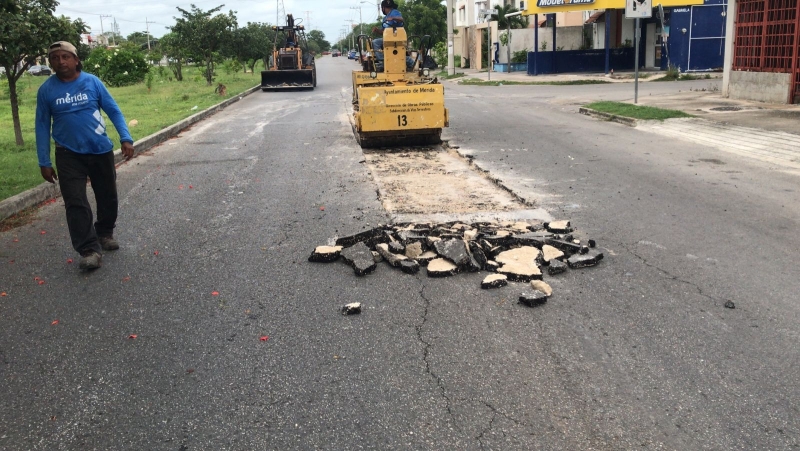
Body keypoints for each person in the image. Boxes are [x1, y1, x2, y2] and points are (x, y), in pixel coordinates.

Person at [35, 41, 135, 270]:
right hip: (67, 154)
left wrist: (126, 137)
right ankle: (89, 250)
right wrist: (44, 161)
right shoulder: (47, 90)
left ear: (76, 59)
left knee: (107, 195)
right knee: (75, 202)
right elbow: (41, 126)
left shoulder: (92, 82)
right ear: (50, 63)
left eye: (65, 56)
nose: (60, 61)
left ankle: (105, 233)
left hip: (100, 149)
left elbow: (113, 110)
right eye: (55, 58)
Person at [371, 0, 411, 67]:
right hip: (387, 38)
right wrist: (377, 30)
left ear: (383, 8)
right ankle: (383, 60)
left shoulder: (394, 12)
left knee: (375, 42)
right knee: (375, 42)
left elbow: (401, 19)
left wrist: (393, 18)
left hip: (397, 38)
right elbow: (384, 32)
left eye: (382, 8)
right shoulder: (385, 18)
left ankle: (383, 60)